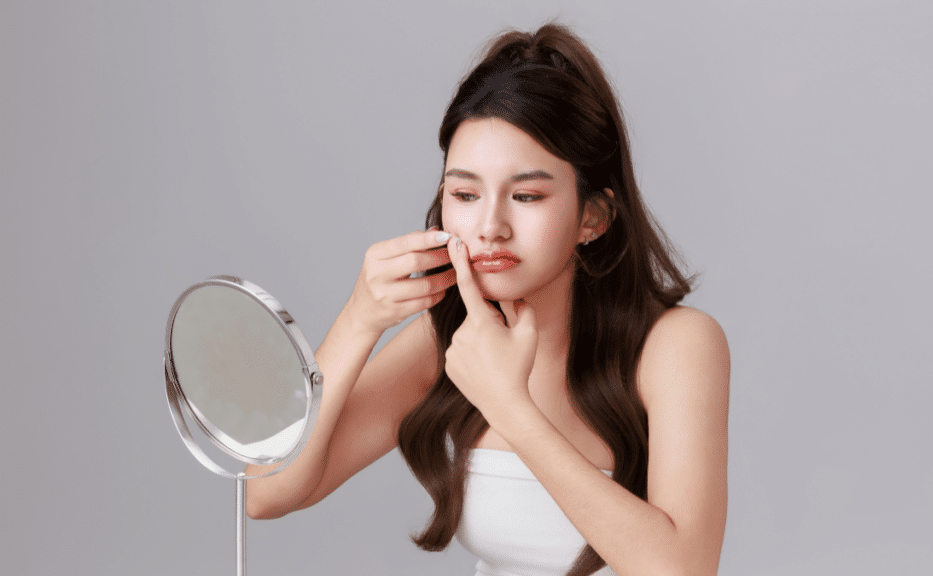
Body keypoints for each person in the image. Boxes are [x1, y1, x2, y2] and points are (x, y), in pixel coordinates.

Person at [245, 22, 730, 576]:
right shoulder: (446, 344)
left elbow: (682, 570)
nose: (490, 226)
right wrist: (360, 320)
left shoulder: (676, 345)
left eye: (526, 195)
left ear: (592, 216)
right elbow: (267, 494)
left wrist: (509, 407)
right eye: (465, 193)